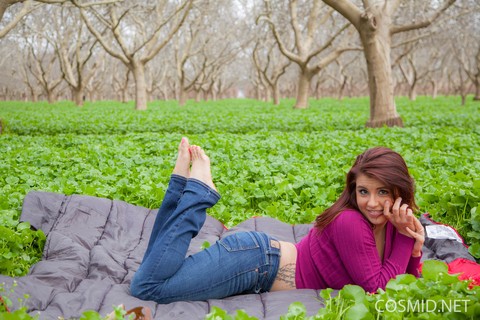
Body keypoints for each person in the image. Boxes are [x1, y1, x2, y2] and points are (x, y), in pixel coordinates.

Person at [130, 138, 424, 304]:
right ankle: (199, 193)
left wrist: (413, 248)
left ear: (399, 191)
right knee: (148, 288)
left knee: (152, 270)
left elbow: (403, 282)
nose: (371, 202)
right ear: (353, 190)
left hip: (258, 263)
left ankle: (181, 183)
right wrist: (409, 240)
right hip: (254, 263)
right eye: (363, 191)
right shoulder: (351, 222)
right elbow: (376, 289)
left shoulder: (395, 225)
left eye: (382, 192)